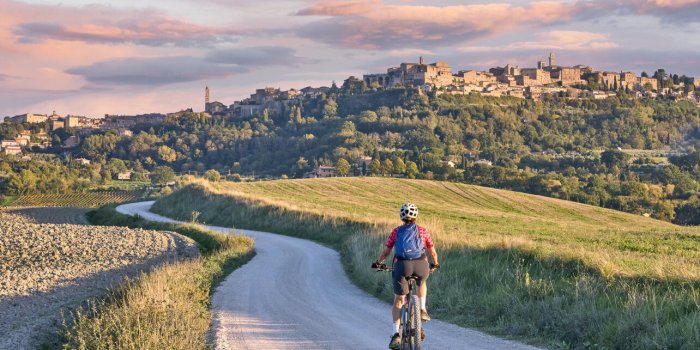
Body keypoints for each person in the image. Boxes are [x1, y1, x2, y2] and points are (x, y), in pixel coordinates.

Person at [372, 203, 440, 349]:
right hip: (421, 265)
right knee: (421, 283)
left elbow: (386, 252)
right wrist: (435, 264)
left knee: (399, 299)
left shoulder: (396, 232)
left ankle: (396, 334)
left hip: (402, 266)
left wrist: (378, 263)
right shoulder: (423, 231)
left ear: (402, 217)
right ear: (416, 216)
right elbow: (433, 252)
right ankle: (422, 309)